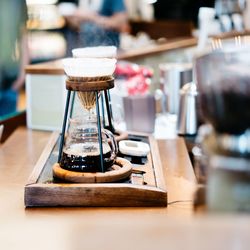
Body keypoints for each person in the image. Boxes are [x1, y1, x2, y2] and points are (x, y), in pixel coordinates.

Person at [0, 0, 29, 117]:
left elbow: (24, 36)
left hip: (11, 80)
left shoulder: (19, 2)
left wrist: (22, 74)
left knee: (8, 129)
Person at [61, 0, 129, 49]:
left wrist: (93, 17)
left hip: (107, 50)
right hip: (85, 49)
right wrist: (72, 18)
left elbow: (121, 24)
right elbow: (78, 27)